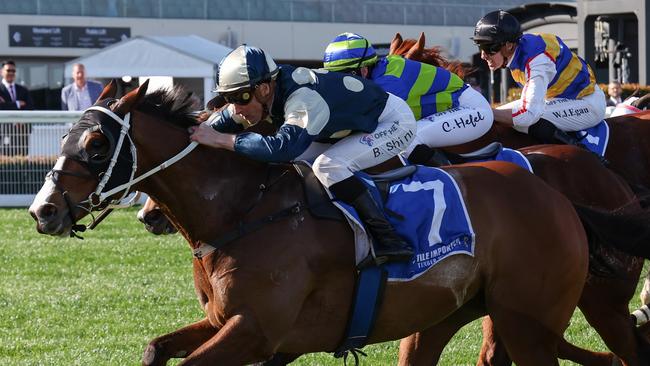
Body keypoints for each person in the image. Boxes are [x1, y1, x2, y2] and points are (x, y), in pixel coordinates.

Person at [189, 45, 417, 264]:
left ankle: (388, 238)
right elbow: (212, 126)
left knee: (328, 166)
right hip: (347, 126)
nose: (235, 107)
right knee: (297, 164)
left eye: (240, 97)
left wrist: (223, 140)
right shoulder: (259, 96)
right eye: (230, 98)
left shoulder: (303, 99)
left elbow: (281, 149)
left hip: (392, 122)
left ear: (264, 89)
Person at [323, 32, 493, 165]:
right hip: (453, 109)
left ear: (364, 70)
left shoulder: (388, 83)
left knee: (406, 139)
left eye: (345, 76)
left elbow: (362, 125)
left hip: (471, 110)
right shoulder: (377, 74)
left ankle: (456, 178)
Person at [471, 10, 606, 147]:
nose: (483, 55)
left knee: (524, 119)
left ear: (509, 45)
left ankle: (580, 152)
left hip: (587, 103)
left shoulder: (538, 61)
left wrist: (489, 112)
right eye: (480, 47)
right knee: (500, 114)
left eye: (488, 48)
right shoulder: (519, 51)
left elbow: (529, 113)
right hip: (562, 99)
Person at [0, 60, 33, 156]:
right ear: (1, 72)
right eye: (8, 70)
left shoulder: (23, 89)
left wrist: (21, 119)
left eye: (13, 71)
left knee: (22, 161)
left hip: (22, 132)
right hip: (4, 131)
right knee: (5, 161)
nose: (11, 73)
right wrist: (17, 104)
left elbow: (30, 107)